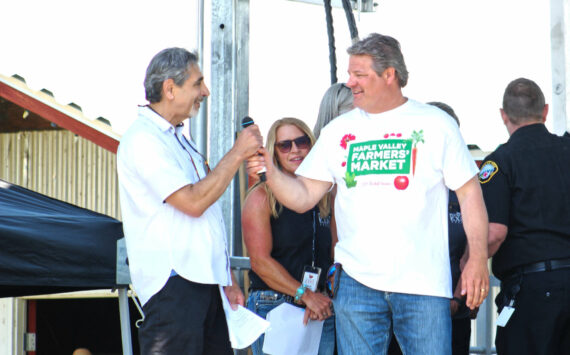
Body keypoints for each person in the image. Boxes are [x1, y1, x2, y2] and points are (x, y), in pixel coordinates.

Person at [247, 33, 489, 355]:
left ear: (389, 75)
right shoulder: (338, 131)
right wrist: (270, 170)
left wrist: (476, 259)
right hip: (356, 284)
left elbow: (471, 195)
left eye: (359, 75)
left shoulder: (437, 124)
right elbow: (303, 195)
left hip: (423, 284)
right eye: (349, 74)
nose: (350, 83)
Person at [117, 47, 263, 354]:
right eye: (198, 83)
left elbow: (208, 218)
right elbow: (194, 203)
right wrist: (237, 153)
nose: (205, 92)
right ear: (170, 88)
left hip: (203, 283)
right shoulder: (143, 139)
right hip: (174, 285)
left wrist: (226, 281)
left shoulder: (177, 138)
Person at [479, 78, 570, 355]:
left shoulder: (500, 162)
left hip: (531, 292)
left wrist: (469, 265)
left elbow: (494, 232)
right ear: (544, 111)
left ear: (503, 115)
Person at [243, 117, 335, 355]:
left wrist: (321, 296)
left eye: (302, 142)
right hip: (276, 302)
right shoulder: (261, 196)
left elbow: (335, 252)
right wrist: (306, 295)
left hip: (318, 305)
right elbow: (260, 262)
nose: (295, 150)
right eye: (285, 145)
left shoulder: (326, 195)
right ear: (274, 152)